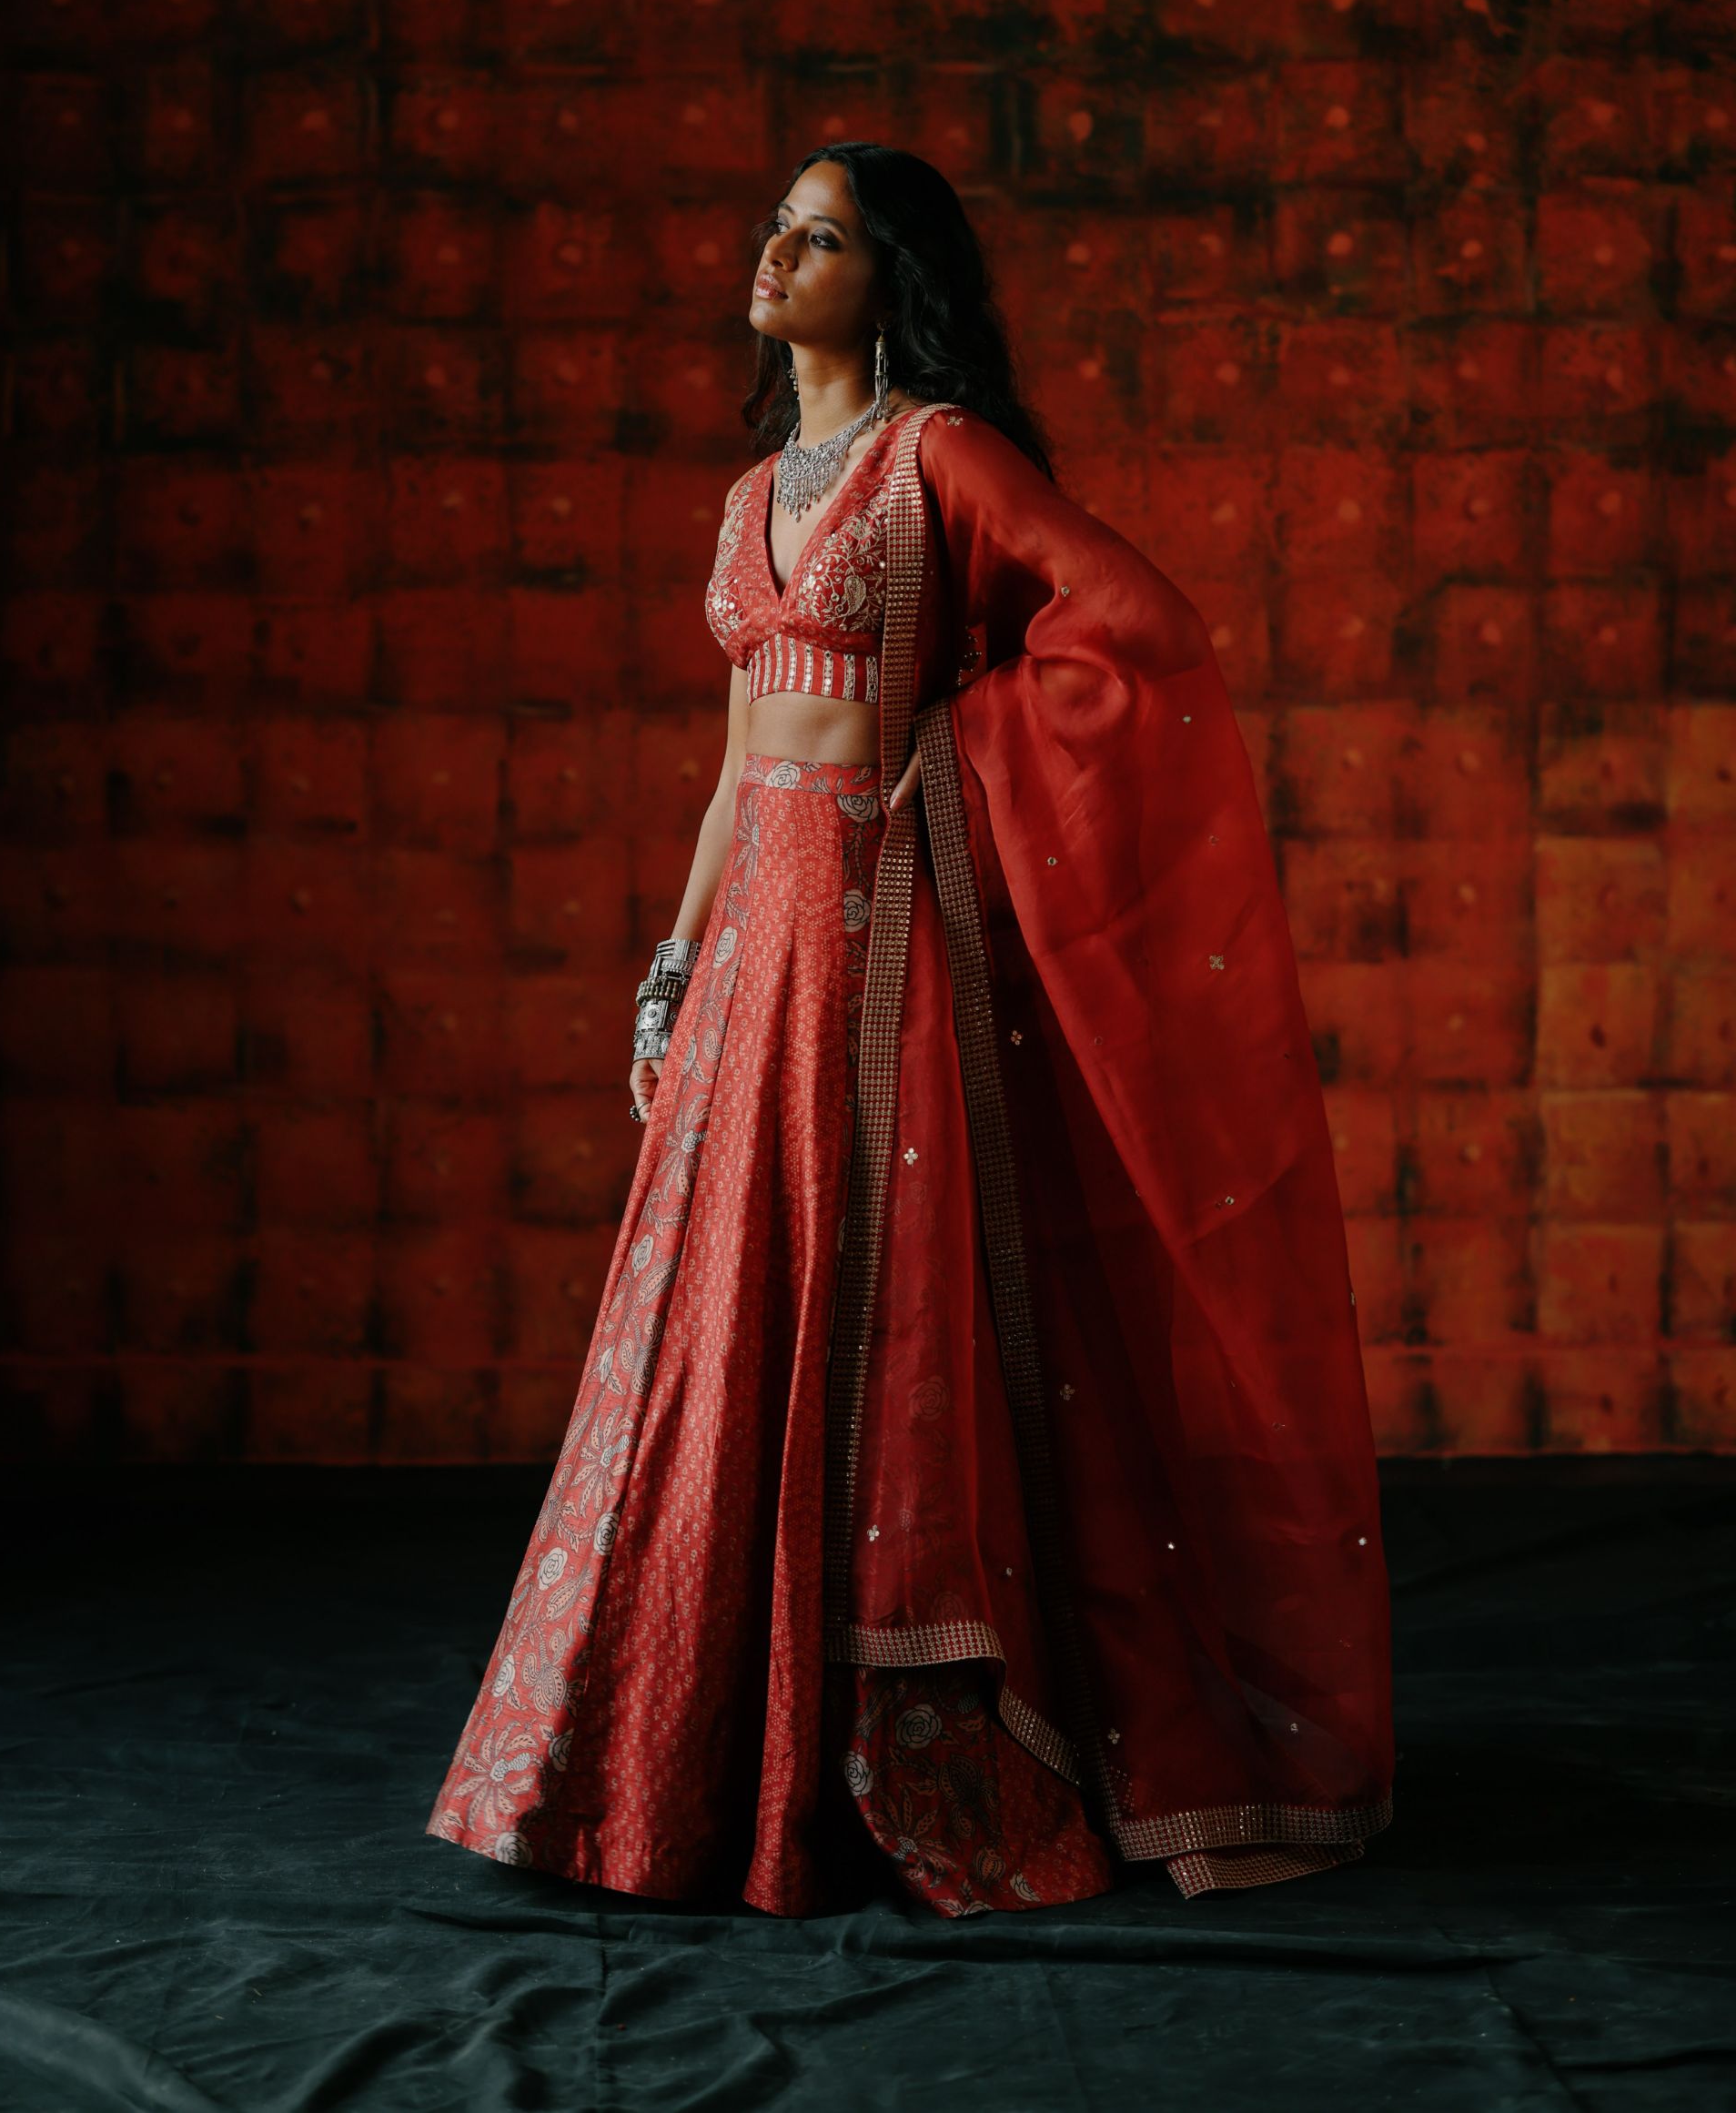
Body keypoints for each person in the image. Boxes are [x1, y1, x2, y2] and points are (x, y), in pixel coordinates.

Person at [426, 143, 1394, 1916]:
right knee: (716, 1335)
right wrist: (667, 964)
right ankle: (675, 1767)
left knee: (890, 1329)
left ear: (890, 278)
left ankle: (911, 1752)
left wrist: (950, 749)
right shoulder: (743, 500)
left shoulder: (937, 451)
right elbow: (738, 764)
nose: (776, 252)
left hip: (886, 955)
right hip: (753, 967)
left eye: (820, 234)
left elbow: (1128, 627)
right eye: (773, 227)